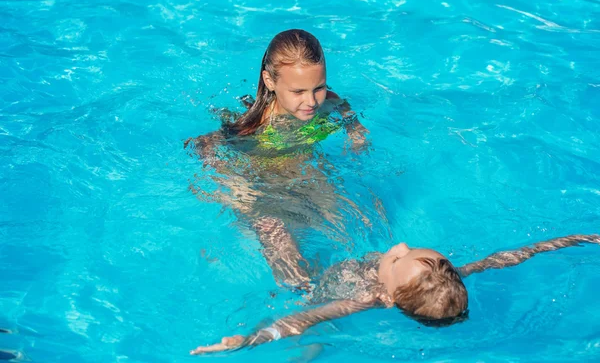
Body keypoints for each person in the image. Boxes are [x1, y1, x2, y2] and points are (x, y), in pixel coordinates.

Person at [186, 30, 384, 288]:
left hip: (305, 174)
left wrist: (355, 131)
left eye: (319, 87)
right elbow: (202, 143)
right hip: (260, 185)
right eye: (298, 91)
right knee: (274, 231)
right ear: (269, 81)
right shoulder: (254, 125)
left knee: (351, 223)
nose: (311, 101)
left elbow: (340, 104)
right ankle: (304, 294)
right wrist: (232, 185)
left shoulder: (326, 102)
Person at [190, 233, 600, 355]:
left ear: (386, 297)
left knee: (284, 256)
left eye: (397, 259)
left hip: (313, 288)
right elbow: (511, 257)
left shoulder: (364, 299)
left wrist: (248, 340)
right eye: (415, 250)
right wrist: (574, 240)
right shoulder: (451, 275)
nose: (400, 247)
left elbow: (302, 320)